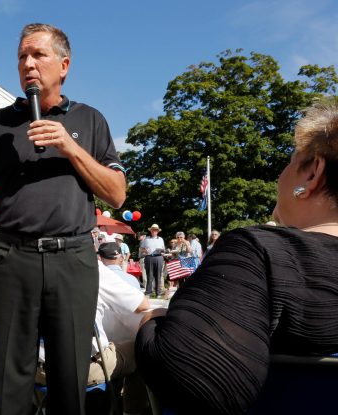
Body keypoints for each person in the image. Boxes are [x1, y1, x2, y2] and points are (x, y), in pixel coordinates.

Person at [0, 23, 127, 414]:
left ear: (64, 65)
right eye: (22, 56)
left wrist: (70, 147)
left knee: (70, 372)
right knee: (8, 373)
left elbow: (117, 193)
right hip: (12, 257)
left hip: (72, 258)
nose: (28, 64)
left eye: (38, 54)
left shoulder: (90, 121)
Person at [136, 97, 338, 414]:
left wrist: (151, 323)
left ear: (313, 173)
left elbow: (199, 381)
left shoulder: (259, 253)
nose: (280, 176)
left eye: (289, 161)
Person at [37, 262, 150, 414]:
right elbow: (142, 305)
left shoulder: (24, 263)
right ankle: (131, 411)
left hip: (34, 369)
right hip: (84, 369)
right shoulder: (88, 265)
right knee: (141, 351)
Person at [140, 224, 166, 297]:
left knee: (158, 276)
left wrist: (162, 250)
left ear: (157, 231)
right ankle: (148, 292)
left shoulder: (161, 239)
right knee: (149, 276)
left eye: (155, 230)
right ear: (151, 230)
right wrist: (144, 250)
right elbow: (141, 249)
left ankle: (158, 293)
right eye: (153, 230)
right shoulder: (146, 239)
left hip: (159, 257)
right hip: (149, 257)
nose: (154, 231)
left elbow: (163, 249)